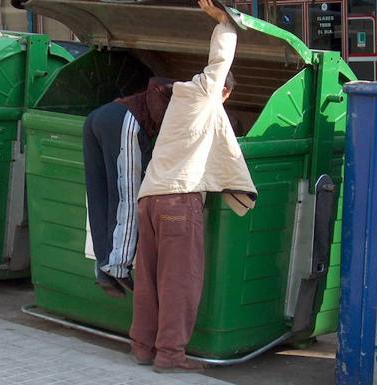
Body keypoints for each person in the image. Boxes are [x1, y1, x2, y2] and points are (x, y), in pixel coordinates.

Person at [129, 0, 258, 373]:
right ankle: (170, 355)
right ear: (226, 95)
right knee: (179, 282)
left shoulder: (176, 101)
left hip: (149, 198)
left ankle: (142, 347)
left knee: (149, 280)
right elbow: (219, 63)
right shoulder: (205, 95)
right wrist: (225, 24)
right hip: (178, 202)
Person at [83, 77, 174, 298]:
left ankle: (103, 267)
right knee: (128, 196)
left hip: (97, 118)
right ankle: (118, 267)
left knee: (99, 198)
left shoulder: (172, 89)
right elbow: (157, 86)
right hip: (125, 121)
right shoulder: (183, 93)